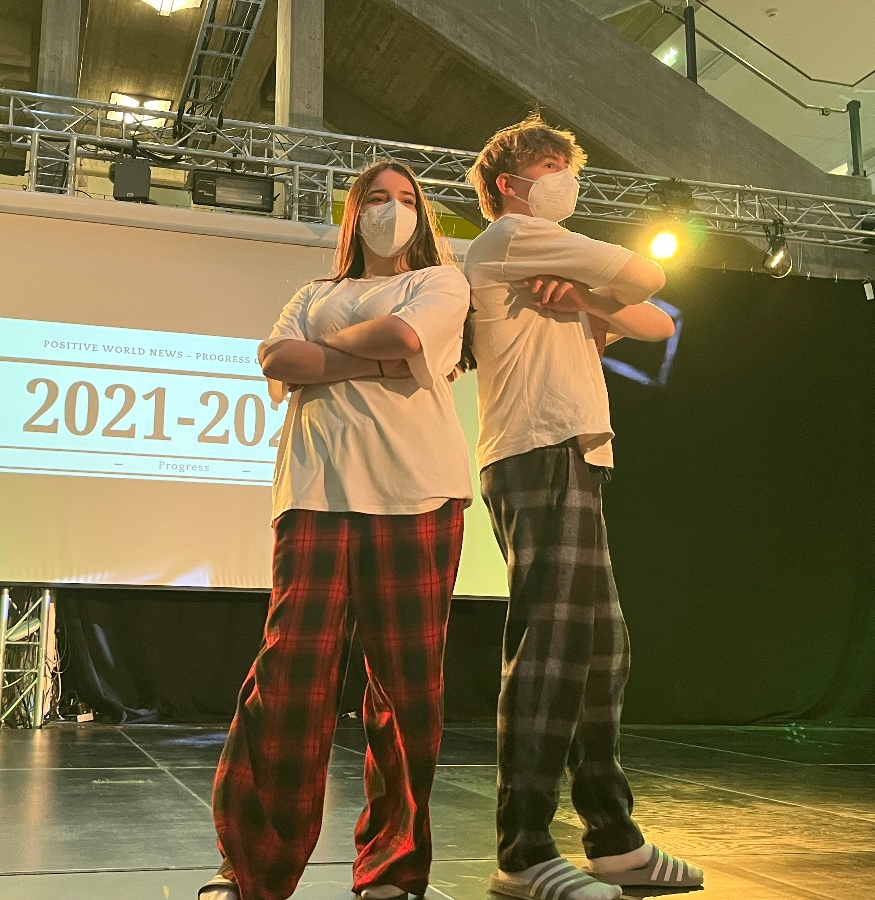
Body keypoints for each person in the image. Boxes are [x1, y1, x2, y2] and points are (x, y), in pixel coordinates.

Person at [199, 160, 473, 900]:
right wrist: (376, 363)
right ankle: (250, 869)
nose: (392, 209)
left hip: (419, 494)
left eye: (406, 198)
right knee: (287, 679)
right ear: (353, 214)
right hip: (314, 494)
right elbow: (275, 357)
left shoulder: (442, 282)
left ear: (423, 214)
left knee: (407, 691)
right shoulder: (312, 292)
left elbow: (404, 337)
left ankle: (393, 867)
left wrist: (328, 357)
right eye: (376, 198)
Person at [462, 115, 704, 900]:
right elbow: (650, 277)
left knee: (602, 651)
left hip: (573, 451)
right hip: (537, 448)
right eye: (551, 167)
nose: (566, 180)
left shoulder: (551, 260)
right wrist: (596, 291)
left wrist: (583, 296)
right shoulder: (513, 238)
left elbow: (652, 322)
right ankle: (523, 850)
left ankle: (614, 840)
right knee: (554, 648)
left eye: (569, 167)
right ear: (510, 184)